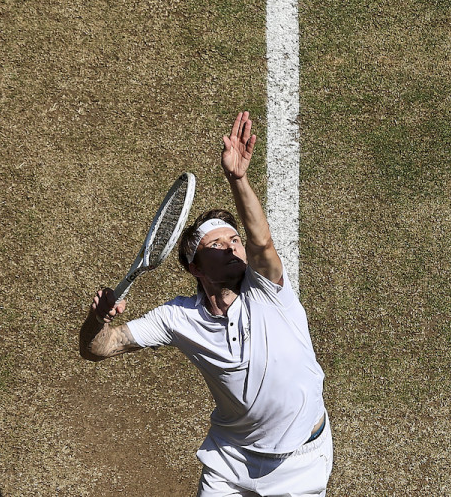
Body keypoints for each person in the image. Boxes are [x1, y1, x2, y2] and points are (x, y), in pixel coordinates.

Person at [79, 111, 331, 496]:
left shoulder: (267, 289)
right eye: (218, 244)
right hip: (231, 458)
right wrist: (98, 319)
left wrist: (238, 179)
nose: (233, 247)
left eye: (234, 241)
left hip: (301, 461)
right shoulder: (177, 318)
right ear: (195, 267)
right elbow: (99, 348)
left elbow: (261, 241)